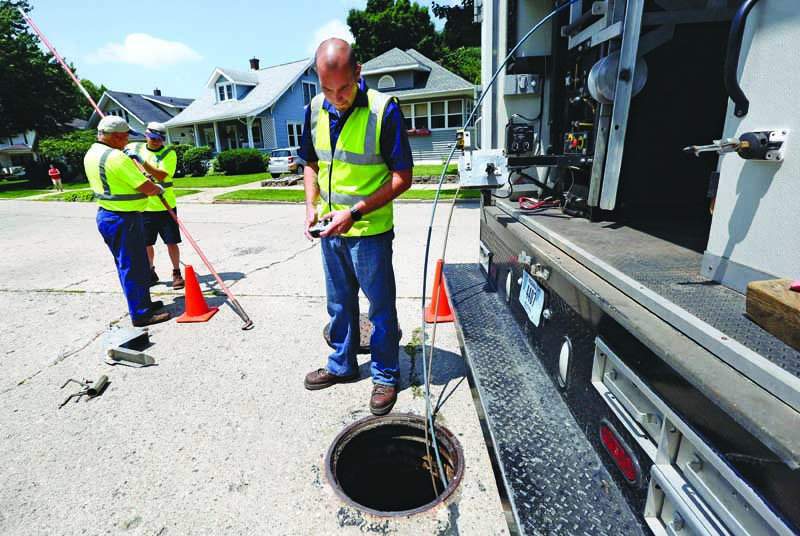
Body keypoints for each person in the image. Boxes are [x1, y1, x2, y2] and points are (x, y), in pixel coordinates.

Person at [301, 38, 413, 416]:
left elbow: (403, 177)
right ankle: (342, 364)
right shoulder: (314, 109)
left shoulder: (384, 110)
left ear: (358, 72)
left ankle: (385, 375)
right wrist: (311, 207)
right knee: (339, 304)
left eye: (344, 88)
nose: (337, 98)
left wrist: (354, 212)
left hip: (369, 233)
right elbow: (311, 164)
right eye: (327, 89)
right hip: (330, 230)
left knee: (380, 309)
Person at [84, 116, 170, 327]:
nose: (127, 141)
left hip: (107, 216)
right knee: (135, 266)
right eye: (125, 137)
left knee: (126, 265)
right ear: (115, 136)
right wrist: (157, 188)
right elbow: (146, 187)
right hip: (124, 218)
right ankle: (141, 314)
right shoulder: (116, 158)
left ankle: (141, 303)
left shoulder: (92, 153)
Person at [125, 122, 184, 290]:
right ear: (146, 135)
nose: (156, 141)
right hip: (145, 207)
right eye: (153, 138)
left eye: (160, 139)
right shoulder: (135, 147)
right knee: (146, 243)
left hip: (165, 206)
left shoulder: (168, 153)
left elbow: (161, 176)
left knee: (171, 242)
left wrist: (142, 162)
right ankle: (150, 271)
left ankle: (176, 273)